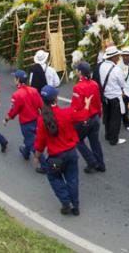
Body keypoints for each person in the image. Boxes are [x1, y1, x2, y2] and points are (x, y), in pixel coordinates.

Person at [33, 85, 89, 216]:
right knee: (73, 179)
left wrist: (37, 156)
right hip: (71, 153)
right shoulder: (66, 113)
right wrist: (87, 105)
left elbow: (40, 142)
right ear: (56, 99)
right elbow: (83, 116)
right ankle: (75, 205)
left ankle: (65, 202)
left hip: (55, 157)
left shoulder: (42, 120)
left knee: (54, 178)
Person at [69, 62, 105, 173]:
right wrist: (98, 114)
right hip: (95, 117)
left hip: (84, 119)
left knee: (76, 140)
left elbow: (76, 106)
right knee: (95, 142)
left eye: (77, 70)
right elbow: (98, 102)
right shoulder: (94, 84)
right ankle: (100, 164)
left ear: (80, 72)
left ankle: (92, 161)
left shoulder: (78, 87)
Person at [4, 69, 44, 162]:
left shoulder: (17, 95)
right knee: (31, 139)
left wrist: (6, 119)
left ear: (18, 80)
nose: (14, 80)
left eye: (15, 78)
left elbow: (13, 111)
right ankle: (25, 152)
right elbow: (41, 105)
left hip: (26, 123)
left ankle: (44, 165)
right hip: (37, 120)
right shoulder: (34, 90)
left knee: (31, 142)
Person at [99, 45, 127, 145]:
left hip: (105, 96)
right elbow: (122, 84)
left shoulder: (101, 66)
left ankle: (108, 135)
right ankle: (114, 139)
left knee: (107, 117)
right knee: (116, 119)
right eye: (118, 56)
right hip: (115, 97)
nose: (119, 58)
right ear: (113, 57)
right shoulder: (116, 69)